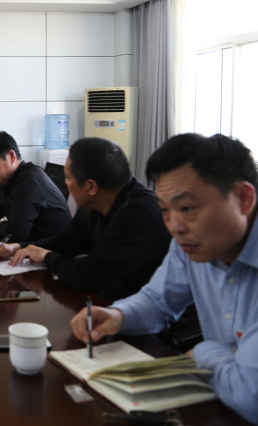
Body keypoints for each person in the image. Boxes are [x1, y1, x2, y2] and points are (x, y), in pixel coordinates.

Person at [70, 134, 258, 424]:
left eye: (188, 208)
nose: (175, 227)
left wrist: (203, 354)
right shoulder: (191, 244)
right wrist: (119, 315)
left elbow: (250, 395)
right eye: (165, 211)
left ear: (244, 199)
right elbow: (158, 300)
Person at [0, 138, 171, 302]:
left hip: (146, 312)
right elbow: (65, 242)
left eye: (68, 178)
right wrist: (18, 248)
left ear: (91, 186)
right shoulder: (96, 202)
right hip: (113, 302)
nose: (65, 184)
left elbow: (89, 275)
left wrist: (45, 256)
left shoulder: (138, 214)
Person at [0, 131, 71, 242]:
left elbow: (17, 233)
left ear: (11, 156)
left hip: (51, 250)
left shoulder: (29, 181)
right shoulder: (10, 178)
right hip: (33, 246)